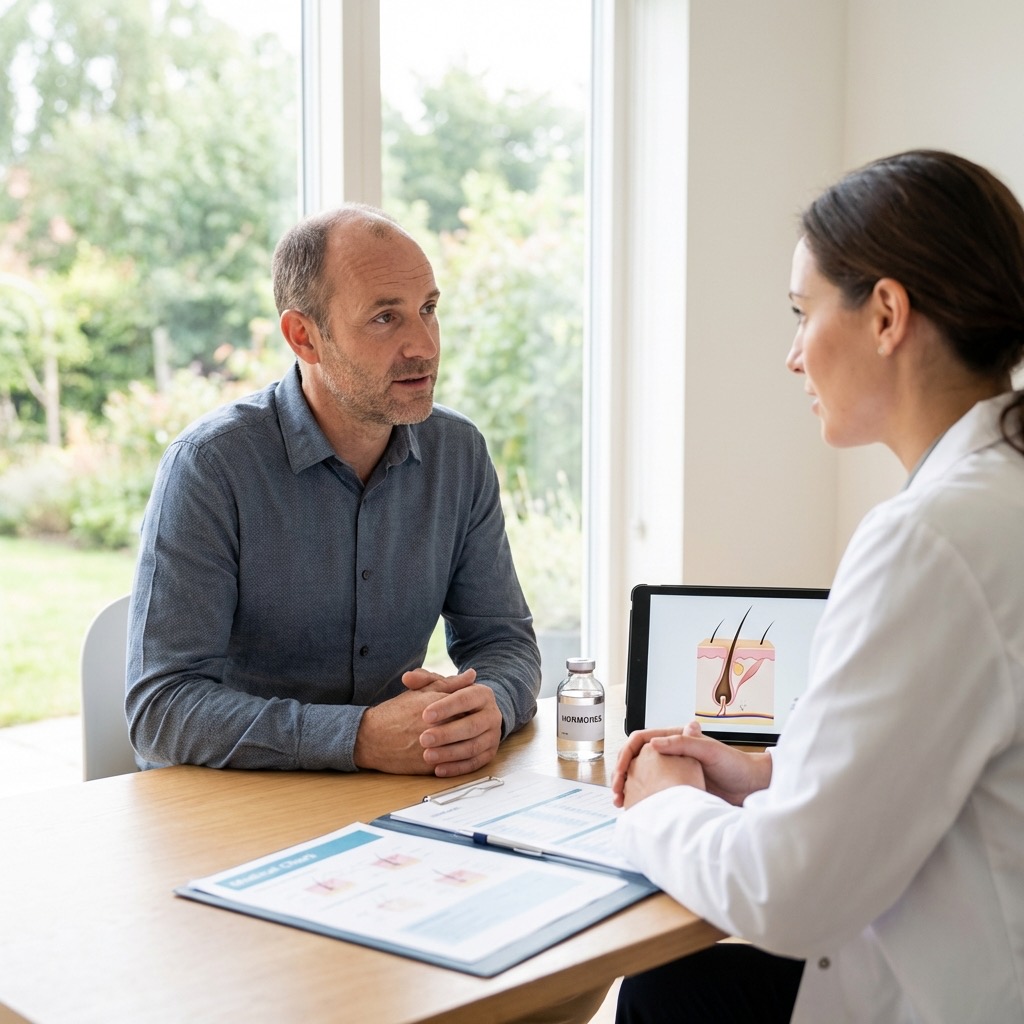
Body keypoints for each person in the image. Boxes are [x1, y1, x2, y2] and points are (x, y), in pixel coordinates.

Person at [611, 150, 1024, 1023]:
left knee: (666, 993)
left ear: (886, 315)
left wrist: (661, 805)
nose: (793, 356)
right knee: (674, 990)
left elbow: (786, 894)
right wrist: (767, 773)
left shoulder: (932, 540)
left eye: (803, 314)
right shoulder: (995, 496)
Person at [126, 204, 541, 778]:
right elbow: (161, 708)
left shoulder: (458, 453)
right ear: (304, 337)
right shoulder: (209, 467)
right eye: (385, 318)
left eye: (428, 309)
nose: (424, 345)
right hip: (236, 799)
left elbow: (504, 642)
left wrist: (488, 706)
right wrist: (358, 738)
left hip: (386, 795)